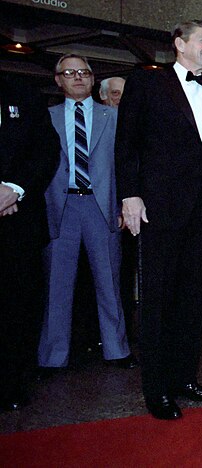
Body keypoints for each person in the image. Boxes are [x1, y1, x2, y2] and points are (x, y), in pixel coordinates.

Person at [116, 20, 202, 420]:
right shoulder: (147, 83)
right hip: (158, 210)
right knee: (157, 300)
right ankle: (157, 390)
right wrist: (129, 195)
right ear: (179, 44)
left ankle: (185, 378)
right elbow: (126, 144)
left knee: (192, 300)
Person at [37, 54, 135, 374]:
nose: (78, 77)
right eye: (70, 73)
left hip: (101, 206)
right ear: (58, 80)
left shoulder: (114, 117)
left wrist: (124, 204)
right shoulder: (44, 117)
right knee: (57, 285)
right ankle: (53, 357)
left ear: (93, 79)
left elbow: (126, 165)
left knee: (109, 281)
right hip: (60, 208)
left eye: (84, 72)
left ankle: (117, 349)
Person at [0, 72, 60, 411]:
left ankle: (10, 384)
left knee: (17, 305)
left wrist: (13, 189)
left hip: (19, 219)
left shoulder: (23, 93)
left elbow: (45, 149)